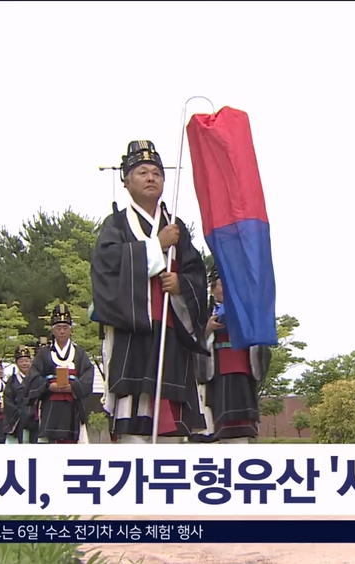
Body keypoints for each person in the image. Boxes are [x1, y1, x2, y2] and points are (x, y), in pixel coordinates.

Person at [91, 140, 211, 444]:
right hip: (134, 335)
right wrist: (156, 245)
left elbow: (197, 273)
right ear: (126, 181)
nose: (150, 178)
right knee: (134, 423)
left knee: (171, 427)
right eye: (142, 172)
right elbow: (106, 268)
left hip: (171, 332)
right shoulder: (116, 225)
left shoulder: (175, 226)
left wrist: (181, 284)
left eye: (156, 172)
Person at [193, 259, 272, 444]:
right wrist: (207, 329)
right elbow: (192, 339)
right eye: (220, 284)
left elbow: (261, 341)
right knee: (215, 418)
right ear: (212, 289)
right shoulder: (203, 312)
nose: (224, 289)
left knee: (240, 426)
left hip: (242, 368)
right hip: (215, 371)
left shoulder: (247, 310)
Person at [27, 304, 95, 443]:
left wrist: (74, 387)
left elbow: (88, 375)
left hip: (72, 408)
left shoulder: (80, 353)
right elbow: (33, 377)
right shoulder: (44, 354)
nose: (62, 331)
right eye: (58, 328)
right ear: (53, 330)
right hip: (50, 407)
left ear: (70, 330)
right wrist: (48, 385)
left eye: (65, 328)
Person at [6, 345, 34, 444]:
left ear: (31, 362)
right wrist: (18, 413)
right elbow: (7, 400)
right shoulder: (12, 380)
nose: (24, 364)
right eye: (21, 361)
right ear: (16, 363)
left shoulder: (36, 378)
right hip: (18, 419)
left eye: (26, 360)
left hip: (34, 419)